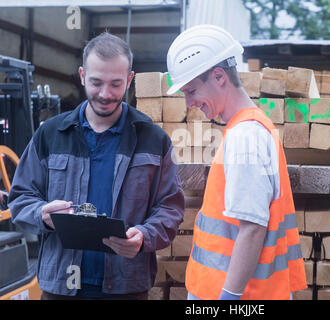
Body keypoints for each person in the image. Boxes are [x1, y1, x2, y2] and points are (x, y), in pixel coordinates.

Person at [8, 32, 184, 300]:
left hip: (126, 288)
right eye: (96, 82)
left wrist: (144, 236)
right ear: (81, 75)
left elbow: (170, 207)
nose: (105, 94)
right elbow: (20, 198)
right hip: (62, 288)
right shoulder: (51, 134)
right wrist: (41, 212)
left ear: (130, 79)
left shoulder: (152, 139)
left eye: (116, 84)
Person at [166, 24, 307, 300]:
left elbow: (253, 228)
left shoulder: (246, 137)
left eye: (191, 90)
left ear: (219, 76)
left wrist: (229, 297)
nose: (189, 102)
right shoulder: (246, 128)